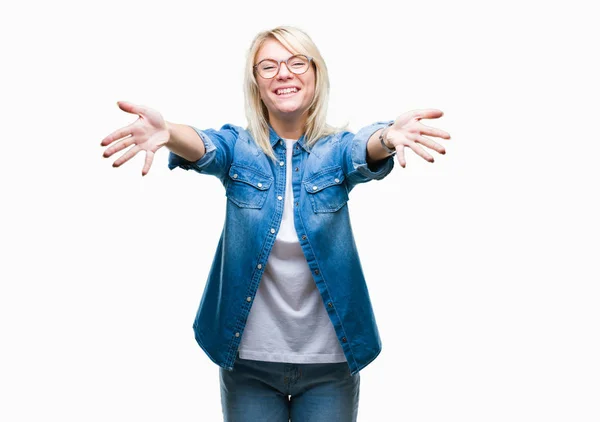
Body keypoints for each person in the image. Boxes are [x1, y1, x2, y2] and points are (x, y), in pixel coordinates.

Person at [101, 25, 450, 422]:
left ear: (316, 75)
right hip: (248, 359)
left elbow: (362, 150)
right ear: (257, 85)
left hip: (330, 362)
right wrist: (168, 134)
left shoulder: (335, 151)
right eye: (268, 67)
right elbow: (204, 145)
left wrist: (387, 138)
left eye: (296, 62)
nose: (283, 73)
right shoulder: (239, 147)